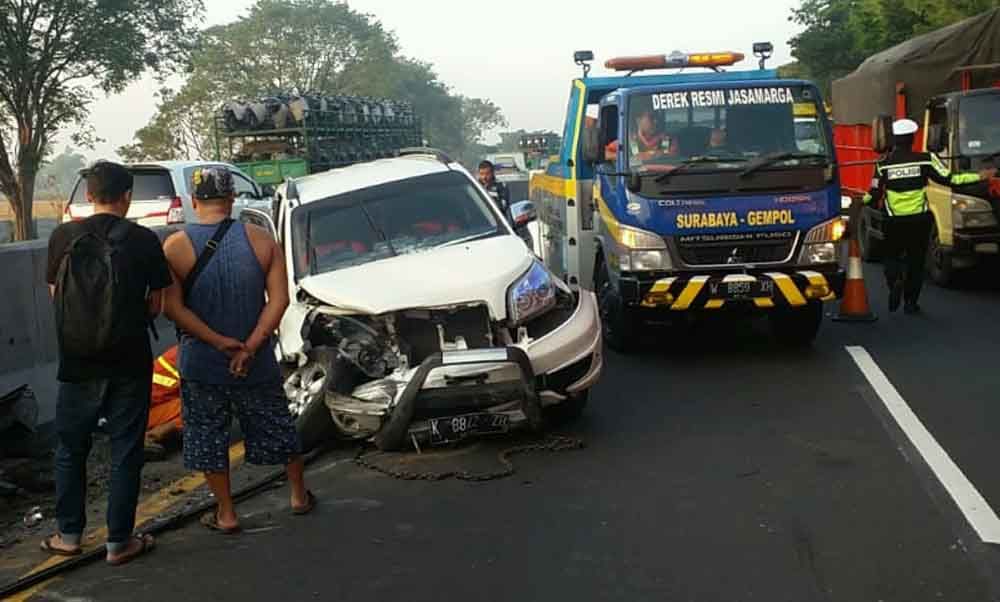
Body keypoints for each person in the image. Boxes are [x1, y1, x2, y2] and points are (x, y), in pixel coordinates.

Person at [163, 166, 313, 535]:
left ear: (195, 201)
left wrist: (217, 342)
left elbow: (172, 307)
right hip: (256, 360)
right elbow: (279, 300)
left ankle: (227, 513)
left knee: (209, 434)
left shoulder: (175, 247)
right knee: (278, 425)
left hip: (202, 362)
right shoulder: (262, 240)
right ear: (231, 199)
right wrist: (250, 345)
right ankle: (298, 495)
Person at [43, 161, 170, 565]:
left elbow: (54, 295)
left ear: (89, 195)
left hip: (77, 361)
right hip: (129, 360)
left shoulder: (62, 236)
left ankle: (68, 535)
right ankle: (119, 543)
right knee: (126, 448)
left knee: (70, 449)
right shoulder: (144, 239)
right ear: (127, 197)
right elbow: (158, 302)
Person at [863, 118, 996, 313]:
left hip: (894, 221)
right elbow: (951, 179)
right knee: (915, 261)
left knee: (891, 257)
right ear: (912, 139)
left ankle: (894, 282)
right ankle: (910, 303)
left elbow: (873, 194)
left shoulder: (883, 165)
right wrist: (980, 176)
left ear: (895, 140)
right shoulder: (925, 159)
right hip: (919, 220)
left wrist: (862, 201)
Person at [144, 345, 183, 461]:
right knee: (200, 407)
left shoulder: (185, 349)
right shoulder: (193, 357)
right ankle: (148, 438)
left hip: (142, 408)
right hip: (140, 414)